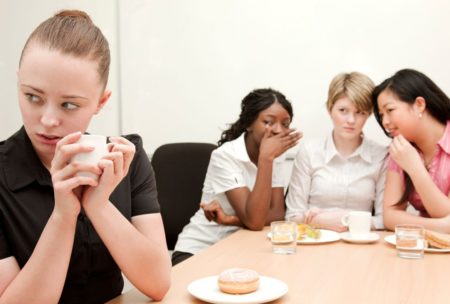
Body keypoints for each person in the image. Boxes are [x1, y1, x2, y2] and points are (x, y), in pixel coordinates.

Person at [0, 10, 170, 303]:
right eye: (33, 97)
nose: (48, 120)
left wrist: (98, 205)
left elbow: (158, 284)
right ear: (19, 83)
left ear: (100, 102)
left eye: (68, 104)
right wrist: (64, 215)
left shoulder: (126, 159)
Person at [171, 88, 302, 265]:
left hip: (241, 249)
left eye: (285, 124)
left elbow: (276, 216)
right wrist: (266, 158)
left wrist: (231, 220)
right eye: (269, 122)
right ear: (248, 124)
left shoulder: (275, 155)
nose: (279, 130)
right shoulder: (225, 156)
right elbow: (256, 221)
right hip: (200, 250)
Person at [285, 72, 387, 232]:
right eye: (343, 110)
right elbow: (292, 216)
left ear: (368, 115)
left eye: (360, 112)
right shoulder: (309, 151)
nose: (351, 120)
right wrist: (321, 221)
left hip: (360, 244)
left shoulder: (381, 156)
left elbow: (383, 221)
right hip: (314, 243)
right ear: (329, 108)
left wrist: (345, 219)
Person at [372, 68, 450, 233]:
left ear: (419, 105)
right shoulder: (401, 148)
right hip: (427, 246)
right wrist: (442, 227)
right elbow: (390, 217)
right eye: (381, 115)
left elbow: (444, 212)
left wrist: (415, 168)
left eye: (390, 110)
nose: (385, 121)